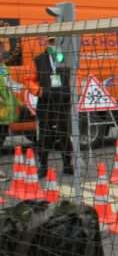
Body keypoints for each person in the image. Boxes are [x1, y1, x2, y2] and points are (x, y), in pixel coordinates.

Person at [34, 36, 73, 178]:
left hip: (62, 102)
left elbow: (75, 77)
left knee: (64, 134)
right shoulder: (38, 60)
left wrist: (71, 92)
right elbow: (29, 80)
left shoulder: (65, 59)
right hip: (45, 102)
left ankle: (68, 165)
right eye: (50, 41)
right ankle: (43, 166)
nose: (53, 44)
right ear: (44, 42)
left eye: (55, 41)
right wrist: (40, 91)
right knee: (45, 136)